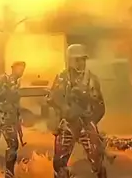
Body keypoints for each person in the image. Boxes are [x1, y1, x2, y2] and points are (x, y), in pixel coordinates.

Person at [48, 44, 107, 178]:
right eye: (77, 60)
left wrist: (90, 120)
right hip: (67, 124)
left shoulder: (91, 79)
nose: (81, 63)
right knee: (59, 164)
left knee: (97, 161)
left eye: (83, 59)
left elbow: (100, 106)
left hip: (86, 123)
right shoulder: (62, 78)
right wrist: (64, 109)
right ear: (70, 60)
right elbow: (52, 98)